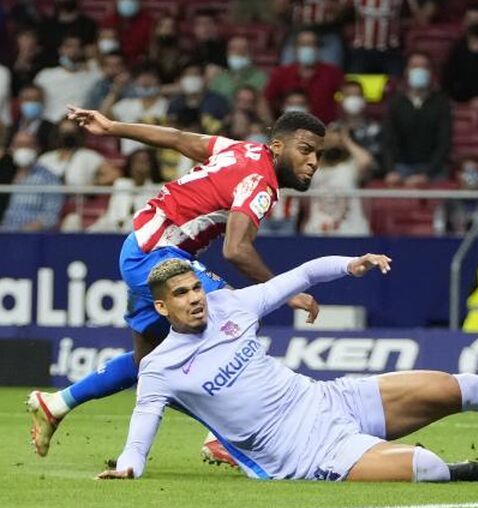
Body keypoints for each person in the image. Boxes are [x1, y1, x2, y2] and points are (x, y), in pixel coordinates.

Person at [97, 254, 478, 483]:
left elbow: (304, 272)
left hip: (329, 399)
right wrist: (128, 466)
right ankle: (449, 474)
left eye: (196, 287)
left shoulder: (232, 305)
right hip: (303, 452)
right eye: (181, 295)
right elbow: (142, 430)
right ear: (162, 308)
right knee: (421, 465)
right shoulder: (161, 368)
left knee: (455, 385)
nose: (196, 299)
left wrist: (351, 264)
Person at [26, 105, 327, 460]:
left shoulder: (238, 149)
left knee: (147, 363)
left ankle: (57, 403)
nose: (313, 162)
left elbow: (177, 139)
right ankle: (221, 439)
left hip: (141, 246)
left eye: (318, 155)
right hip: (158, 254)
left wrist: (111, 127)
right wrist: (287, 291)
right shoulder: (259, 182)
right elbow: (236, 249)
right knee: (232, 315)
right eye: (305, 150)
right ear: (277, 146)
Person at [382, 52, 452, 186]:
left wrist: (427, 174)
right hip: (402, 168)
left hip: (433, 169)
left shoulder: (442, 103)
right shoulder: (396, 103)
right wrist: (390, 170)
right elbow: (388, 141)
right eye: (414, 66)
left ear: (430, 73)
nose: (419, 70)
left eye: (424, 67)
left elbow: (444, 143)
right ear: (407, 72)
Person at [302, 123, 374, 236]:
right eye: (329, 135)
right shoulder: (314, 165)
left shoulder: (351, 166)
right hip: (317, 230)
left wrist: (346, 140)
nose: (332, 138)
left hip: (351, 231)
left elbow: (366, 161)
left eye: (336, 135)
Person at [264, 29, 345, 124]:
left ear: (317, 48)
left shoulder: (332, 73)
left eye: (311, 44)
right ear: (295, 49)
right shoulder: (282, 73)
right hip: (289, 130)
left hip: (325, 130)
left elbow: (345, 98)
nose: (307, 48)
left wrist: (338, 126)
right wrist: (270, 125)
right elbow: (265, 99)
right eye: (303, 44)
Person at [0, 131, 63, 232]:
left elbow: (51, 216)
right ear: (11, 149)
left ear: (37, 148)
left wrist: (24, 232)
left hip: (31, 238)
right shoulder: (4, 175)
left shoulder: (49, 179)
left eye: (28, 145)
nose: (23, 149)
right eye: (19, 145)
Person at [88, 148, 162, 233]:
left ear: (152, 166)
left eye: (144, 162)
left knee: (130, 224)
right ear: (130, 164)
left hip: (142, 230)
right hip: (114, 225)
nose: (140, 166)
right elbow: (112, 211)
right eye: (137, 162)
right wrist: (118, 222)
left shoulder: (158, 188)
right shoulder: (121, 183)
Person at [34, 35, 103, 123]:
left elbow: (105, 68)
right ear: (60, 49)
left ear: (82, 51)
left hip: (79, 125)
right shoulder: (45, 75)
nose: (73, 51)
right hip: (49, 124)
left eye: (77, 47)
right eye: (69, 46)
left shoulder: (92, 76)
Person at [38, 118, 120, 187]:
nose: (67, 135)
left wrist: (92, 186)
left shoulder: (88, 156)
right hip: (48, 202)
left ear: (78, 134)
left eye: (71, 132)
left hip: (77, 202)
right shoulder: (45, 158)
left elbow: (114, 175)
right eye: (64, 132)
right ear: (57, 134)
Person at [167, 63, 231, 135]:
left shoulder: (217, 101)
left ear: (204, 78)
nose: (191, 79)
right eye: (187, 75)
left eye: (195, 74)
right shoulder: (176, 102)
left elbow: (227, 122)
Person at [209, 35, 270, 102]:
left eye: (243, 49)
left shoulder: (261, 78)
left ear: (250, 53)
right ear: (227, 53)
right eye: (233, 49)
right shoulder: (220, 78)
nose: (238, 52)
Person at [102, 0, 154, 65]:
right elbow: (105, 48)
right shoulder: (108, 21)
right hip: (114, 64)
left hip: (139, 65)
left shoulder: (149, 22)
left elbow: (151, 48)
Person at [9, 84, 56, 152]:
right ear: (20, 102)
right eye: (27, 99)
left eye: (36, 100)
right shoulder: (11, 129)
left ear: (43, 102)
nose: (31, 103)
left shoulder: (52, 129)